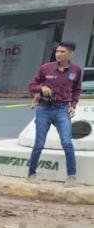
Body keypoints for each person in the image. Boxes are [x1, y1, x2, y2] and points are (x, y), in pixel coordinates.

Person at [27, 40, 81, 188]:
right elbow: (31, 86)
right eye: (57, 51)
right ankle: (31, 174)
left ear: (70, 53)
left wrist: (73, 105)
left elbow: (76, 90)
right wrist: (41, 88)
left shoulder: (76, 70)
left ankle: (71, 176)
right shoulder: (45, 68)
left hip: (62, 110)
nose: (58, 54)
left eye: (62, 52)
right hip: (44, 109)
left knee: (67, 142)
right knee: (39, 143)